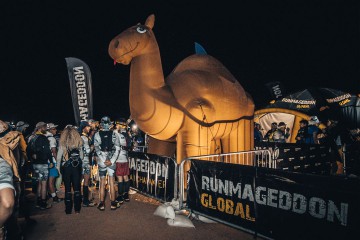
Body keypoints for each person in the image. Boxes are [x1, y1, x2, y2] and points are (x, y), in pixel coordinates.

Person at [94, 116, 120, 211]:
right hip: (111, 159)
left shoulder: (97, 134)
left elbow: (96, 148)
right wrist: (111, 160)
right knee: (111, 182)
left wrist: (103, 159)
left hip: (102, 161)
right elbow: (117, 149)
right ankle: (113, 203)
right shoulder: (114, 134)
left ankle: (101, 204)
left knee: (102, 182)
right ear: (110, 124)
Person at [26, 122, 54, 210]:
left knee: (39, 184)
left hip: (35, 164)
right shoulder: (43, 138)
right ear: (40, 128)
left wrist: (32, 157)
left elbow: (28, 150)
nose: (46, 129)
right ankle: (43, 202)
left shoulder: (32, 137)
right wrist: (51, 161)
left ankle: (38, 202)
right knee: (44, 183)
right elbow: (47, 151)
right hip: (43, 163)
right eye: (45, 127)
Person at [56, 126, 83, 214]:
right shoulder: (78, 143)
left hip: (66, 167)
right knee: (77, 189)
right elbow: (82, 157)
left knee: (67, 189)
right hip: (76, 167)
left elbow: (59, 158)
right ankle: (77, 209)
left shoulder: (62, 144)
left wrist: (58, 169)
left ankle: (68, 210)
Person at [79, 121, 96, 207]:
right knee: (86, 181)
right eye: (88, 127)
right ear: (84, 127)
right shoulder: (84, 138)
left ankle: (79, 198)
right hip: (85, 162)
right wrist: (92, 147)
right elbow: (88, 151)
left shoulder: (80, 137)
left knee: (79, 181)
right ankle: (85, 201)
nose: (89, 128)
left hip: (80, 161)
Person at [114, 120, 131, 205]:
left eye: (117, 125)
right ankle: (126, 195)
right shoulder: (126, 135)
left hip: (118, 159)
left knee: (120, 178)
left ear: (120, 126)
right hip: (125, 159)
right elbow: (129, 146)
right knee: (126, 177)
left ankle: (120, 196)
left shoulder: (117, 134)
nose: (116, 126)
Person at [45, 123, 62, 203]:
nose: (56, 130)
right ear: (50, 130)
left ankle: (46, 195)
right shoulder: (52, 139)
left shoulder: (43, 136)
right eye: (54, 129)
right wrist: (58, 162)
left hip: (45, 162)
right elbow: (54, 151)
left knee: (46, 180)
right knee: (52, 181)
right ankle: (55, 198)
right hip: (52, 161)